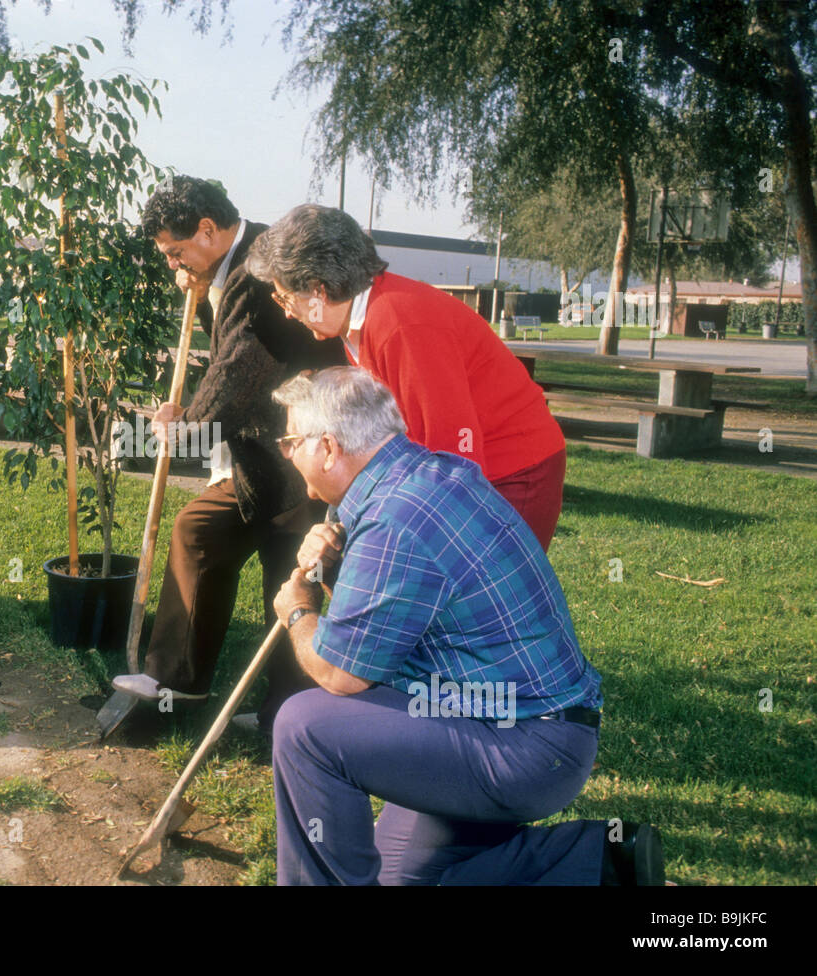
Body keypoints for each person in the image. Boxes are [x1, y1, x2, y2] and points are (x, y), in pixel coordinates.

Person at [268, 367, 663, 886]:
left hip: (522, 747)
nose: (286, 453)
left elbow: (342, 673)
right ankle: (596, 861)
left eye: (290, 441)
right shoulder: (422, 476)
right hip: (520, 725)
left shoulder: (394, 519)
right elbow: (378, 631)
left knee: (304, 727)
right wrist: (334, 566)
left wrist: (298, 611)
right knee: (402, 878)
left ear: (327, 447)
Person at [109, 176, 346, 734]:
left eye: (176, 253)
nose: (174, 268)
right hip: (261, 461)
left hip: (303, 461)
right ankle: (175, 685)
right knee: (198, 531)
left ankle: (289, 716)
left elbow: (239, 371)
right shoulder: (241, 264)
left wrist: (186, 427)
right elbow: (234, 367)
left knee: (287, 582)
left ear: (209, 230)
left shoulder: (255, 272)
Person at [246, 204, 567, 551]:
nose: (286, 311)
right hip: (468, 469)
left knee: (488, 595)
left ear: (318, 291)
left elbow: (454, 458)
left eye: (285, 297)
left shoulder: (399, 325)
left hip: (511, 473)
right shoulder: (360, 319)